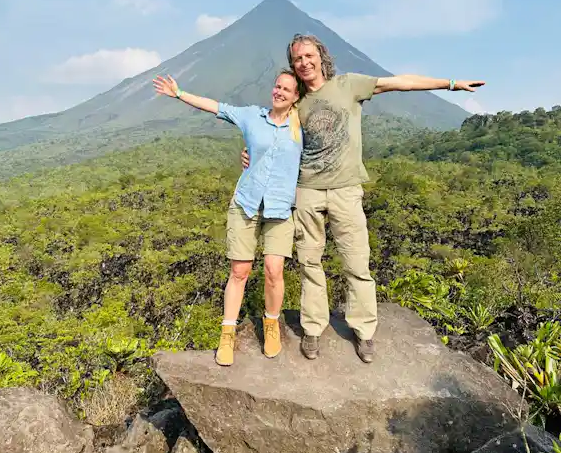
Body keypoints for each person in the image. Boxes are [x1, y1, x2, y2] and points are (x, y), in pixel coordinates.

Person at [243, 34, 485, 364]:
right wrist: (252, 155)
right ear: (293, 64)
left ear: (320, 56)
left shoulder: (349, 85)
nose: (304, 62)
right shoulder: (295, 100)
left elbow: (402, 83)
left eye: (309, 55)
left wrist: (451, 83)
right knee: (309, 262)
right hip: (307, 191)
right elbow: (269, 134)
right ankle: (313, 327)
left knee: (357, 262)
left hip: (345, 189)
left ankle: (364, 331)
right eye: (298, 58)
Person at [153, 70, 302, 367]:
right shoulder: (251, 117)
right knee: (240, 271)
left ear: (296, 96)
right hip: (246, 204)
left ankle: (271, 325)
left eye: (286, 89)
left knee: (275, 270)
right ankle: (227, 333)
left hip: (280, 209)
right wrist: (179, 93)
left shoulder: (302, 127)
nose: (279, 92)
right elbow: (215, 106)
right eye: (277, 86)